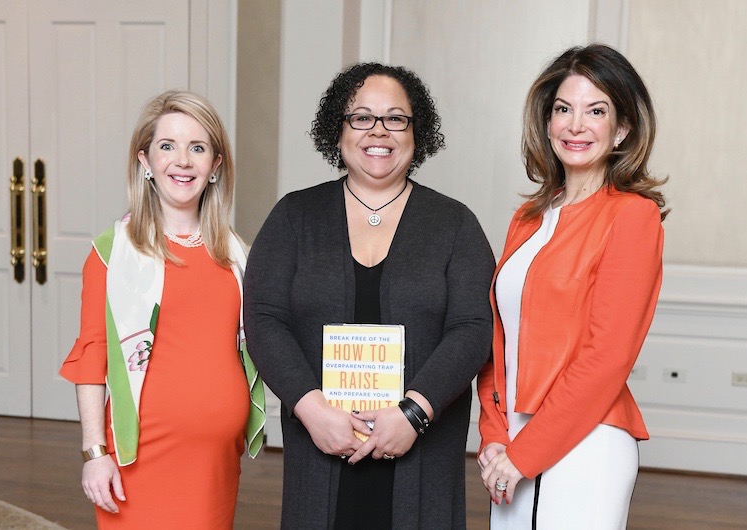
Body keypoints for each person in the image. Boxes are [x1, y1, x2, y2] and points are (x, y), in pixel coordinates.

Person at [244, 62, 494, 529]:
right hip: (320, 443)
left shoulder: (455, 224)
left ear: (417, 132)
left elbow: (473, 329)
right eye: (361, 117)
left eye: (395, 118)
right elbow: (263, 318)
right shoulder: (294, 217)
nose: (378, 131)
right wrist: (311, 410)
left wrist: (413, 414)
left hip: (422, 448)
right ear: (337, 131)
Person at [476, 43, 667, 528]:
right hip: (512, 447)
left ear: (622, 128)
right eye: (563, 109)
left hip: (588, 445)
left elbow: (606, 357)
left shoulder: (632, 216)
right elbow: (498, 336)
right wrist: (494, 432)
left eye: (595, 110)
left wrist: (525, 454)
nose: (575, 125)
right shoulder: (528, 217)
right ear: (546, 121)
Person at [60, 90, 264, 529]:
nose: (183, 161)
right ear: (145, 162)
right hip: (142, 460)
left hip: (215, 463)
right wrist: (95, 453)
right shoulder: (112, 253)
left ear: (216, 166)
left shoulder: (237, 255)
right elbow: (91, 357)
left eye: (198, 147)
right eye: (167, 146)